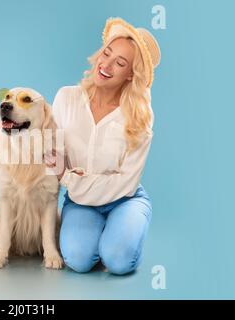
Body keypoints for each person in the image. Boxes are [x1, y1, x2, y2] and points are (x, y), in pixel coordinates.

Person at [46, 17, 161, 275]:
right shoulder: (67, 98)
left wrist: (68, 176)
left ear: (131, 74)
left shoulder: (140, 117)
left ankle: (123, 234)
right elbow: (50, 154)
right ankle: (103, 237)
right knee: (77, 259)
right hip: (80, 203)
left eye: (119, 63)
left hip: (125, 199)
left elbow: (124, 182)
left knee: (118, 261)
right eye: (106, 54)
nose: (105, 65)